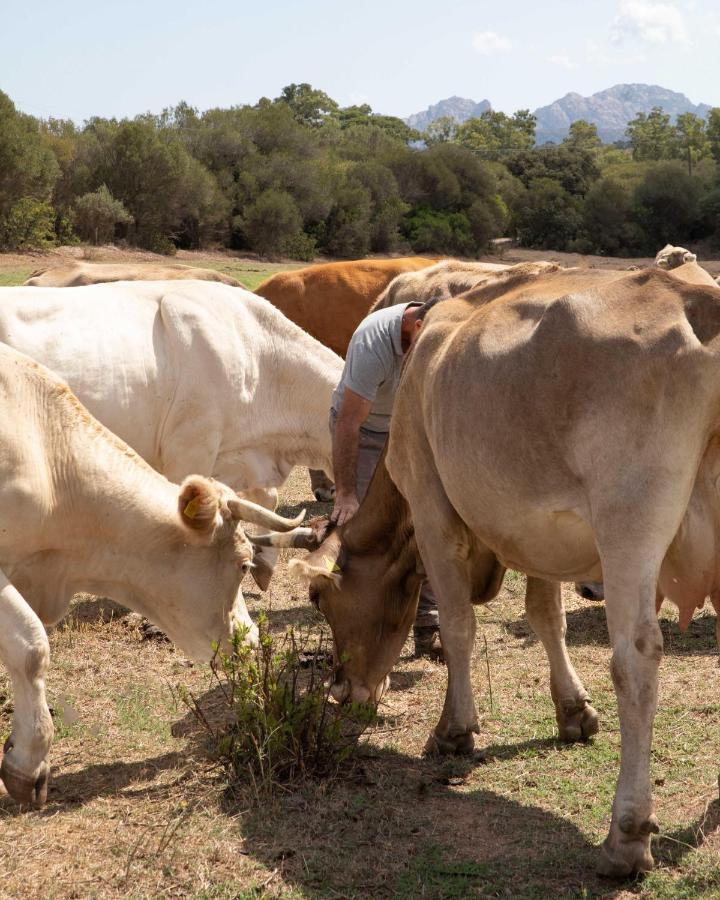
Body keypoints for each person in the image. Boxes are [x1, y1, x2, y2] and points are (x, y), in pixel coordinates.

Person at [329, 299, 442, 660]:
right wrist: (346, 493)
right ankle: (356, 626)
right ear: (415, 327)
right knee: (362, 529)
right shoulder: (373, 343)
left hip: (408, 431)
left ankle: (429, 625)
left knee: (426, 524)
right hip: (365, 433)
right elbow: (348, 424)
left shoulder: (435, 338)